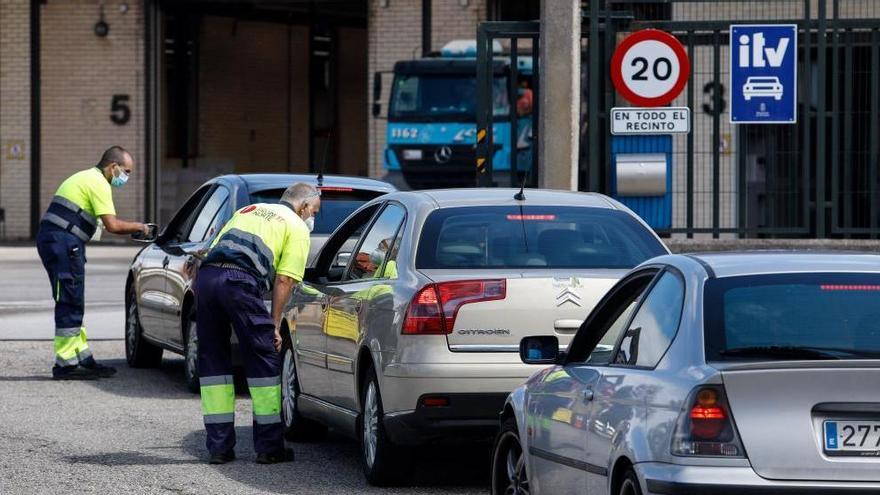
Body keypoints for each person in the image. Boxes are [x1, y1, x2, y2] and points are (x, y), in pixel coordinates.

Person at [194, 183, 320, 465]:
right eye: (314, 211)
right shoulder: (296, 227)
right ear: (302, 207)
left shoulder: (248, 210)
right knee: (263, 358)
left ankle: (219, 448)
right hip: (239, 282)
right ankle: (269, 447)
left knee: (213, 362)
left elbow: (209, 250)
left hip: (208, 279)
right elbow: (285, 280)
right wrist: (274, 325)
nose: (313, 218)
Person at [36, 146, 150, 380]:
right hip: (63, 243)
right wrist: (141, 227)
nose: (126, 177)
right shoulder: (98, 183)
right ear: (113, 167)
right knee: (69, 299)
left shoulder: (84, 176)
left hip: (59, 241)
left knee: (73, 298)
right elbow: (113, 225)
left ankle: (82, 357)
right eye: (126, 171)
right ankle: (66, 365)